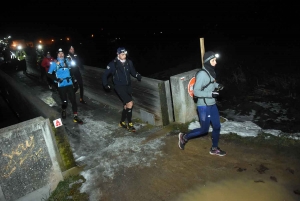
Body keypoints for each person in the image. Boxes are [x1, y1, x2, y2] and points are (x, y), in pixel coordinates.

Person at [178, 51, 226, 156]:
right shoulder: (202, 74)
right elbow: (196, 91)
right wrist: (210, 94)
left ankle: (214, 148)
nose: (216, 62)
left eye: (215, 60)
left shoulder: (211, 72)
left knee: (217, 126)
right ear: (208, 62)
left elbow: (211, 83)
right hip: (203, 106)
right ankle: (184, 137)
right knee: (204, 129)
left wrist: (218, 85)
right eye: (213, 60)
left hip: (212, 104)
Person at [102, 47, 142, 132]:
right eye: (122, 54)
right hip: (119, 86)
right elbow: (105, 75)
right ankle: (130, 124)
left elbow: (133, 72)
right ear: (118, 54)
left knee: (126, 106)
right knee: (130, 104)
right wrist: (105, 85)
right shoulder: (113, 64)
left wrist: (137, 75)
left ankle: (122, 122)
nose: (124, 56)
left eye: (125, 54)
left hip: (128, 86)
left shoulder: (129, 62)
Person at [47, 48, 83, 124]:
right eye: (59, 53)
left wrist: (74, 80)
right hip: (61, 85)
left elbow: (73, 69)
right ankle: (63, 109)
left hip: (69, 83)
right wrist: (56, 79)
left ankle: (75, 116)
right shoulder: (54, 64)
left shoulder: (67, 61)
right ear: (57, 55)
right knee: (65, 102)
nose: (61, 55)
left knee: (73, 100)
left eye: (62, 53)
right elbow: (49, 74)